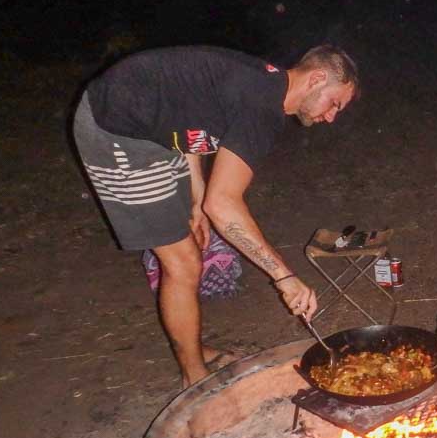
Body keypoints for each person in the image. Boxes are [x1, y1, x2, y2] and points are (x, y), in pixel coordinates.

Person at [73, 45, 359, 388]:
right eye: (334, 104)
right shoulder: (261, 107)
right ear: (316, 78)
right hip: (117, 129)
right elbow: (223, 204)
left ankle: (194, 349)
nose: (331, 117)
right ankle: (192, 377)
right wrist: (283, 277)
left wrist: (196, 200)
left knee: (189, 252)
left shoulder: (265, 84)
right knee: (183, 264)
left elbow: (190, 121)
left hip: (156, 127)